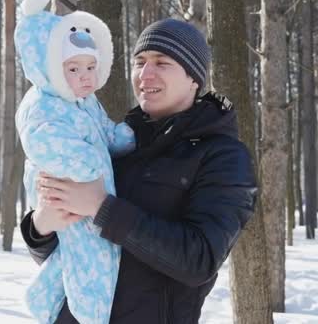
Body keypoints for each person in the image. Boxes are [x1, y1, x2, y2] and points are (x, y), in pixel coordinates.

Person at [20, 17, 257, 323]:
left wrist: (101, 207)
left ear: (194, 78)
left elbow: (199, 260)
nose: (146, 73)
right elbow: (68, 252)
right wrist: (41, 226)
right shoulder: (116, 141)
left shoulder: (222, 156)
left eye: (162, 62)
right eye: (140, 61)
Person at [14, 0, 135, 324]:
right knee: (90, 260)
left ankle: (43, 297)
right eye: (74, 68)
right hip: (69, 193)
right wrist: (88, 165)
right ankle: (92, 314)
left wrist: (119, 137)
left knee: (79, 255)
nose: (86, 76)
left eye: (91, 67)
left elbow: (101, 129)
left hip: (88, 197)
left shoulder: (84, 101)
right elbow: (42, 143)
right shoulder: (41, 105)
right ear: (48, 67)